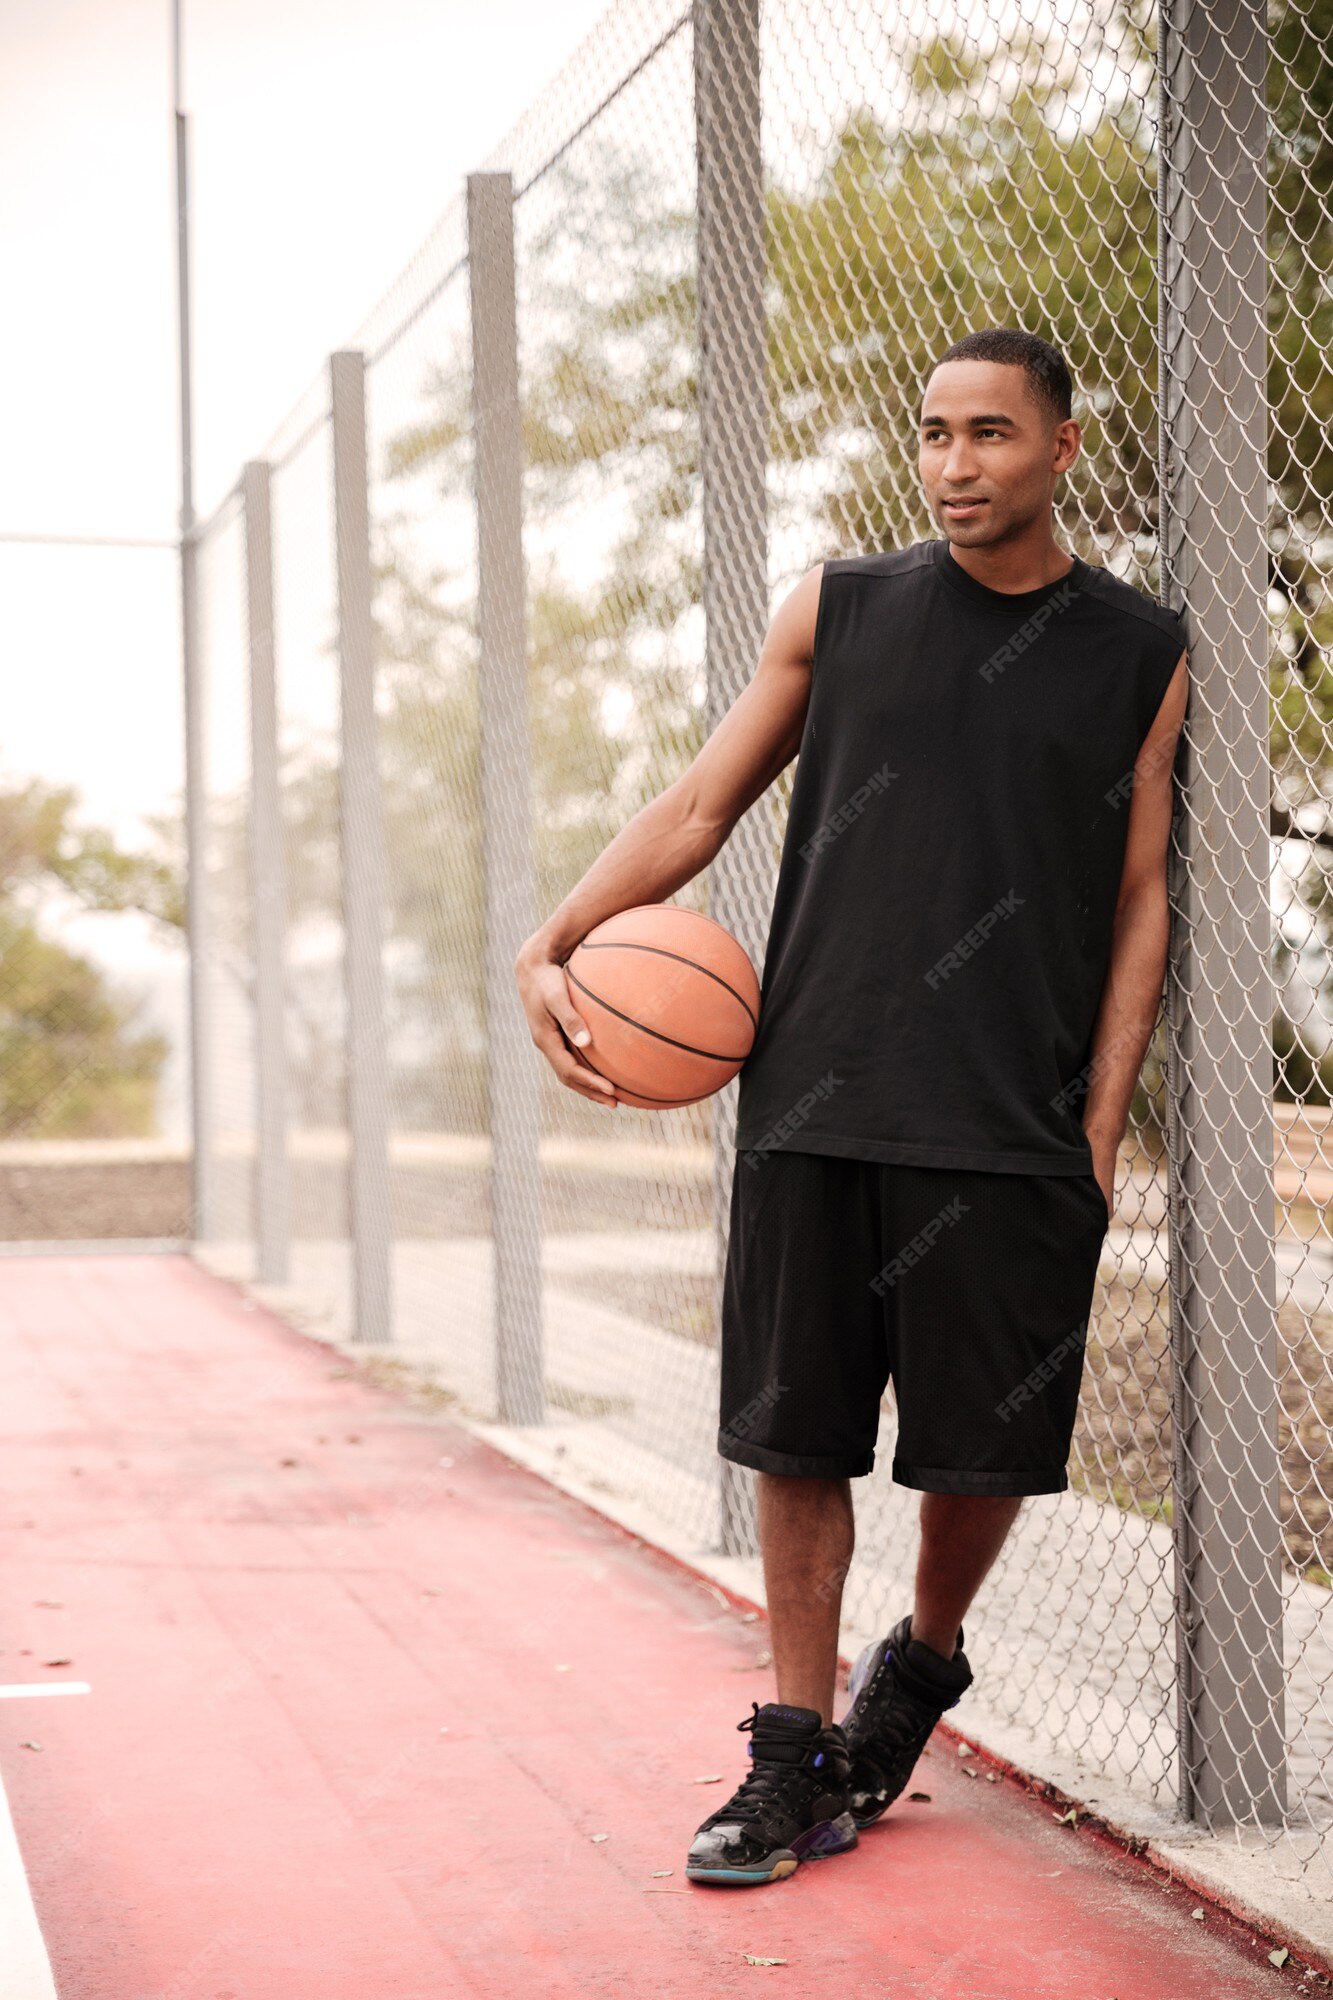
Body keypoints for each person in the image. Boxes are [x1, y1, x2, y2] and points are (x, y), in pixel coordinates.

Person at [514, 326, 1189, 1889]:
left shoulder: (1137, 651)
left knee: (980, 1458)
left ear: (1062, 451)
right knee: (796, 1435)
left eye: (990, 436)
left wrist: (1095, 1123)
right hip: (815, 1088)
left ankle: (921, 1664)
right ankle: (788, 1753)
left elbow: (1140, 894)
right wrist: (550, 938)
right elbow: (698, 804)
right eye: (933, 433)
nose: (954, 466)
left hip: (1007, 1111)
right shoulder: (839, 606)